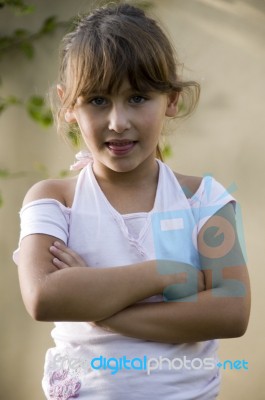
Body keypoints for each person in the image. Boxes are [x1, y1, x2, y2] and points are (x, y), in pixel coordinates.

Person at [13, 3, 250, 399]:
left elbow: (231, 313)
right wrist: (162, 274)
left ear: (170, 100)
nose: (118, 122)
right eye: (98, 100)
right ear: (69, 105)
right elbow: (43, 297)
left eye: (138, 98)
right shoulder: (54, 200)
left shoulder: (205, 201)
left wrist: (94, 304)